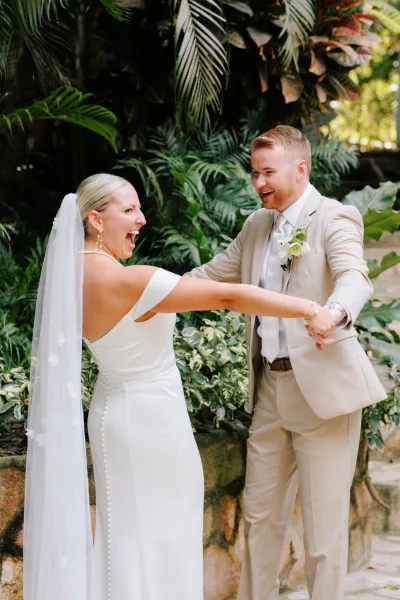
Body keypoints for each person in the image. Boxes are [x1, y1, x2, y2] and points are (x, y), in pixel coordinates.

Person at [23, 172, 333, 600]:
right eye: (129, 210)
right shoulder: (131, 281)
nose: (142, 219)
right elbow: (228, 296)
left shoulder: (68, 278)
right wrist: (308, 307)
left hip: (112, 413)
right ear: (96, 220)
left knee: (125, 535)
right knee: (164, 535)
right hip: (153, 421)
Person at [187, 126, 387, 600]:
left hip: (324, 396)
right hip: (270, 394)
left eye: (267, 172)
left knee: (323, 534)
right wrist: (143, 292)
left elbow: (354, 277)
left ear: (301, 168)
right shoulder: (257, 224)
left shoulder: (336, 218)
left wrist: (334, 313)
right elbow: (211, 276)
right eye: (254, 173)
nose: (258, 182)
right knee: (258, 521)